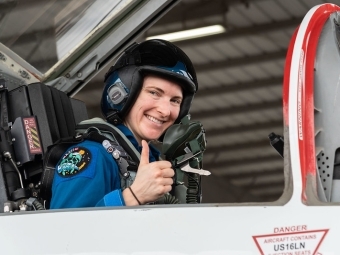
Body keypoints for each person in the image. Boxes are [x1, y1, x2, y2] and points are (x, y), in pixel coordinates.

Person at [50, 39, 198, 208]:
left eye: (175, 100)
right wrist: (133, 196)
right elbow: (63, 230)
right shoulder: (91, 155)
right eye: (154, 93)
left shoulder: (152, 162)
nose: (165, 111)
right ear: (121, 92)